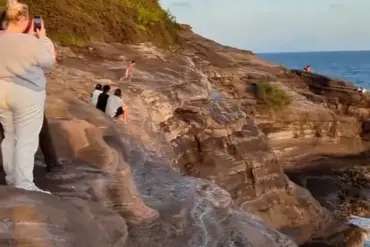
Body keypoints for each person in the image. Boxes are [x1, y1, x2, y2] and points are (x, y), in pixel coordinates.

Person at [0, 2, 56, 193]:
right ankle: (24, 184)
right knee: (26, 139)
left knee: (9, 136)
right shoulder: (30, 41)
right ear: (23, 19)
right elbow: (49, 62)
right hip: (27, 93)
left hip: (1, 91)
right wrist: (43, 38)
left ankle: (11, 178)